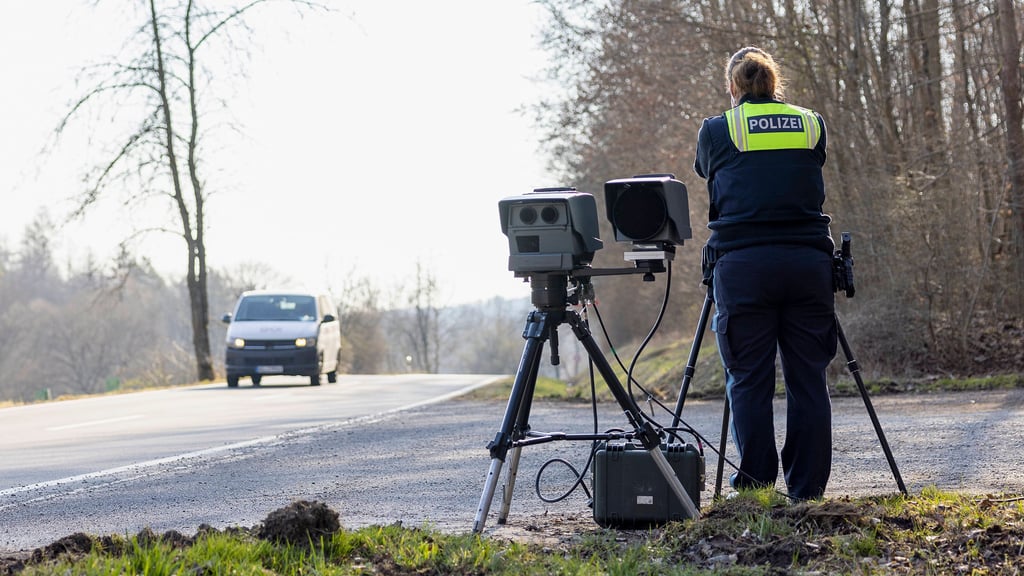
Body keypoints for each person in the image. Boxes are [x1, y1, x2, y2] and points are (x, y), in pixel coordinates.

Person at [692, 46, 837, 500]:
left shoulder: (718, 129)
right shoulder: (812, 123)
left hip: (743, 267)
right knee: (807, 378)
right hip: (808, 265)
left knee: (749, 379)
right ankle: (807, 490)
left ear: (733, 87)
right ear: (776, 84)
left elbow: (704, 169)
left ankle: (755, 485)